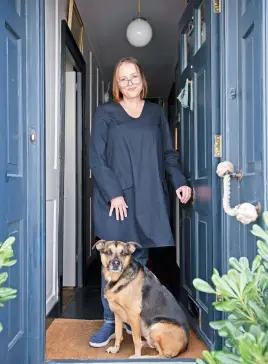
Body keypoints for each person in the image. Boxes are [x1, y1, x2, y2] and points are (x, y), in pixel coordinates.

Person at [89, 57, 192, 347]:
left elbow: (167, 154)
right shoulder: (105, 113)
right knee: (112, 263)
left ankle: (137, 321)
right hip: (115, 201)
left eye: (134, 76)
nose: (130, 82)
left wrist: (180, 182)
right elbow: (97, 160)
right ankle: (109, 322)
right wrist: (114, 193)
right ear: (116, 85)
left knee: (139, 263)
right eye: (123, 79)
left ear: (142, 79)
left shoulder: (155, 113)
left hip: (147, 197)